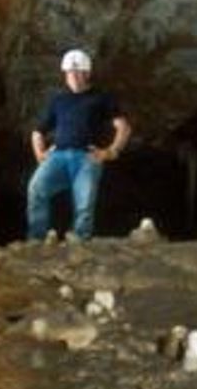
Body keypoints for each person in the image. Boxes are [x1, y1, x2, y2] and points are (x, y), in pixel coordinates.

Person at [26, 48, 131, 243]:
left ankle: (80, 240)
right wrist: (40, 155)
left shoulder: (101, 98)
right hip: (58, 155)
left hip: (86, 157)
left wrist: (111, 152)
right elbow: (38, 131)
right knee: (36, 189)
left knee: (84, 204)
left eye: (78, 72)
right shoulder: (58, 100)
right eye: (69, 72)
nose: (73, 76)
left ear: (87, 73)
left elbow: (123, 127)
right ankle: (37, 238)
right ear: (65, 74)